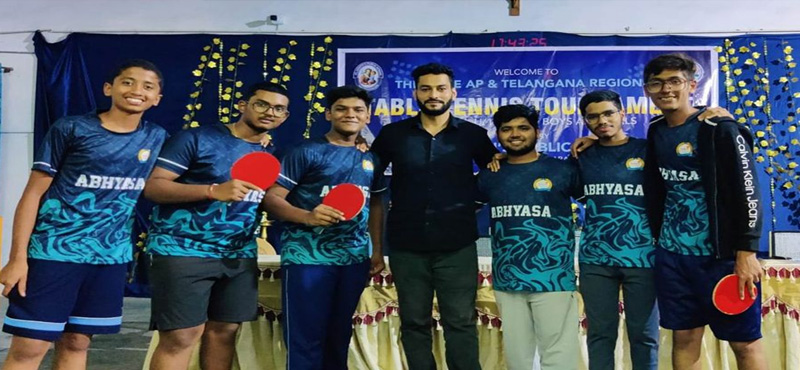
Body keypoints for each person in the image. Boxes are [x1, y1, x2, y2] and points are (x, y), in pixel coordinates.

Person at [0, 59, 168, 370]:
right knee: (30, 347)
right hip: (54, 254)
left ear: (157, 97)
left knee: (77, 342)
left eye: (148, 86)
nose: (136, 91)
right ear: (109, 88)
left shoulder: (157, 137)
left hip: (109, 259)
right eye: (127, 82)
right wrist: (17, 258)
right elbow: (33, 193)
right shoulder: (72, 128)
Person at [144, 82, 289, 370]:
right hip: (182, 250)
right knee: (181, 337)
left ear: (284, 116)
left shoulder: (272, 153)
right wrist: (211, 190)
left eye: (278, 108)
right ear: (242, 105)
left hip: (237, 256)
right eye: (261, 104)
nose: (269, 112)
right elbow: (153, 187)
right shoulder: (195, 139)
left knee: (224, 333)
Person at [642, 53, 766, 370]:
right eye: (656, 82)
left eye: (674, 81)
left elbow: (748, 192)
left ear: (692, 85)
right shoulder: (656, 130)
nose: (665, 89)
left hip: (721, 257)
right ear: (647, 90)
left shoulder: (720, 128)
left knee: (745, 343)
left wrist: (746, 251)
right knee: (684, 339)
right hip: (672, 256)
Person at [369, 62, 497, 370]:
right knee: (414, 322)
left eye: (440, 88)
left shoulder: (473, 135)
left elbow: (498, 174)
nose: (433, 95)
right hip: (406, 246)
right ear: (415, 93)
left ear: (453, 92)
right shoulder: (392, 135)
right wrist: (375, 248)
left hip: (457, 245)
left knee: (461, 322)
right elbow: (369, 183)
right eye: (426, 89)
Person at [261, 85, 385, 369]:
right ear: (328, 113)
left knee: (338, 337)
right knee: (306, 339)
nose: (349, 115)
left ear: (368, 116)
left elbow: (376, 204)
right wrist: (307, 216)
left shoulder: (370, 158)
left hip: (353, 259)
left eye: (358, 110)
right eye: (341, 109)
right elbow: (271, 198)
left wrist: (376, 250)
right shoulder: (305, 152)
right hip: (307, 259)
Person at [477, 104, 581, 370]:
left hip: (554, 279)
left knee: (559, 357)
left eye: (523, 128)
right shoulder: (490, 174)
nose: (515, 134)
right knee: (517, 357)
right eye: (506, 129)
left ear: (537, 131)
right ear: (498, 135)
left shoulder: (563, 171)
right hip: (508, 281)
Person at [576, 90, 658, 370]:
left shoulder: (649, 149)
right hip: (596, 260)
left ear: (623, 114)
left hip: (643, 257)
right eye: (593, 116)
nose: (602, 120)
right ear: (585, 121)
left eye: (608, 113)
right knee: (599, 334)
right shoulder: (581, 156)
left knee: (644, 336)